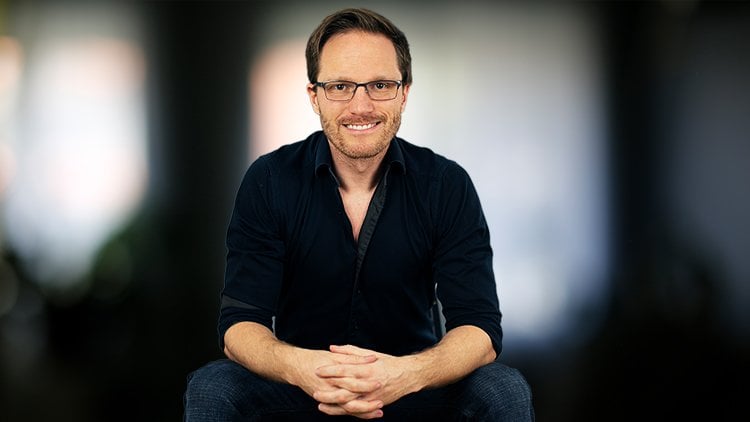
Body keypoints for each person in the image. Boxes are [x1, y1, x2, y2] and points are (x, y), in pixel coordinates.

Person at [184, 7, 534, 421]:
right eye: (340, 87)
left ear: (404, 93)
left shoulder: (446, 184)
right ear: (314, 96)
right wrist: (306, 369)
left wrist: (405, 374)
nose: (361, 105)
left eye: (380, 85)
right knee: (213, 387)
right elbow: (239, 326)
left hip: (411, 387)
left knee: (503, 388)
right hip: (302, 388)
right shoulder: (269, 180)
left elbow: (480, 330)